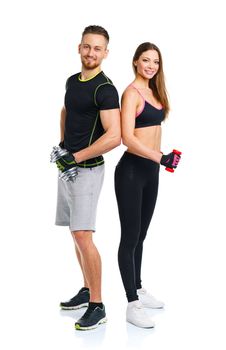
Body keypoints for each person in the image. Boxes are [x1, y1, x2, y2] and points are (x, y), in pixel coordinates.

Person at [55, 25, 121, 330]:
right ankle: (85, 290)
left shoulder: (104, 89)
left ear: (105, 53)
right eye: (87, 47)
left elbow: (115, 137)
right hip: (68, 168)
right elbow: (66, 111)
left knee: (84, 234)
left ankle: (98, 305)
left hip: (88, 169)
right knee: (74, 231)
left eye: (97, 48)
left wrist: (77, 156)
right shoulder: (72, 81)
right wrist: (62, 146)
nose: (91, 53)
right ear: (79, 48)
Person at [114, 42, 181, 328]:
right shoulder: (131, 93)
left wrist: (162, 159)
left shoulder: (156, 92)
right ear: (135, 62)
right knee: (129, 238)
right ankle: (131, 303)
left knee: (141, 235)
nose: (151, 66)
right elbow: (127, 138)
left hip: (151, 171)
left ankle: (139, 287)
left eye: (155, 61)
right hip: (130, 172)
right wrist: (160, 156)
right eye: (146, 60)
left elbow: (152, 132)